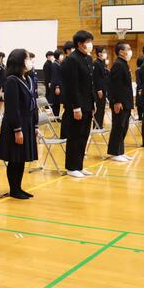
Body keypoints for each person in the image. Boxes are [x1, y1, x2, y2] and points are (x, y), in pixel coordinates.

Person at [0, 49, 37, 199]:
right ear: (19, 61)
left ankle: (19, 187)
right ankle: (14, 189)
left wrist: (35, 125)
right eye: (27, 58)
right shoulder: (12, 80)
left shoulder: (28, 78)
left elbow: (33, 103)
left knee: (22, 158)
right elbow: (12, 108)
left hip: (28, 122)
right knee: (15, 158)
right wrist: (17, 129)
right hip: (16, 124)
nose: (29, 61)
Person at [61, 30, 96, 178]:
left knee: (83, 136)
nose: (90, 44)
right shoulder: (72, 60)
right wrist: (76, 107)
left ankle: (79, 166)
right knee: (75, 136)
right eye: (88, 42)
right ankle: (71, 167)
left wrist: (93, 103)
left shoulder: (88, 58)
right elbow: (72, 86)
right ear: (80, 44)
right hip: (77, 106)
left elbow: (90, 83)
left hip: (87, 104)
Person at [107, 42, 134, 162]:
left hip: (126, 101)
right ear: (121, 52)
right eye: (128, 49)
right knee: (118, 127)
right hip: (120, 102)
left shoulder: (124, 64)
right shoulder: (118, 65)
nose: (130, 51)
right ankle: (114, 152)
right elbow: (115, 85)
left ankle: (120, 151)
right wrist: (116, 102)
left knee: (124, 127)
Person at [92, 46, 109, 130]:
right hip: (99, 89)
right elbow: (96, 78)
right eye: (104, 52)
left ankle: (100, 125)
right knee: (99, 108)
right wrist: (99, 89)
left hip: (104, 88)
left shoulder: (102, 63)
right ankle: (96, 126)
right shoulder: (96, 63)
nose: (106, 54)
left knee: (102, 108)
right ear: (99, 54)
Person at [49, 50, 64, 122]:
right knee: (56, 102)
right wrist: (57, 87)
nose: (62, 56)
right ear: (58, 55)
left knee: (57, 102)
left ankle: (56, 117)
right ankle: (55, 117)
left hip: (59, 85)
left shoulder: (58, 63)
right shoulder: (54, 64)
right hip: (56, 86)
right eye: (61, 55)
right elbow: (55, 76)